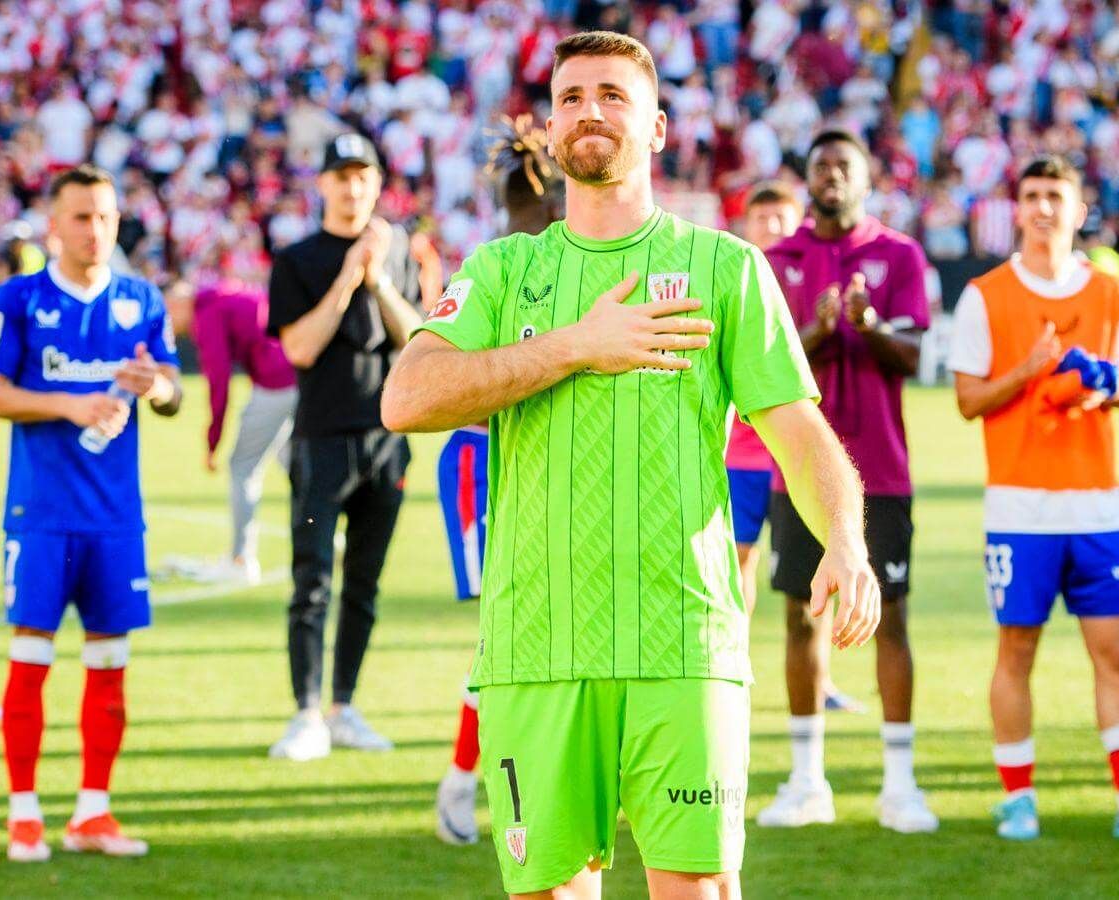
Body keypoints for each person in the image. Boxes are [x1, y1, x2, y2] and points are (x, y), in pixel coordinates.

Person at [381, 31, 881, 899]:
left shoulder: (725, 269)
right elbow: (408, 399)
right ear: (549, 129)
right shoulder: (506, 272)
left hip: (682, 645)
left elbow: (800, 430)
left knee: (698, 889)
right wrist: (579, 346)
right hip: (535, 648)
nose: (590, 113)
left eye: (613, 95)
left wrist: (845, 539)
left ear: (656, 128)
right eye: (571, 98)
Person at [948, 156, 1119, 846]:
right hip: (1018, 509)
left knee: (1114, 654)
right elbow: (968, 400)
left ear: (1080, 208)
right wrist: (1028, 372)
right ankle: (1017, 799)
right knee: (1016, 652)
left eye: (1055, 196)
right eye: (1030, 196)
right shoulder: (985, 295)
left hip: (1094, 508)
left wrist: (1101, 385)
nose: (1042, 208)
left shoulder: (1111, 294)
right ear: (1017, 208)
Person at [0, 164, 183, 862]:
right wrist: (69, 403)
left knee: (111, 667)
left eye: (106, 217)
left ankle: (93, 812)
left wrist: (156, 389)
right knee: (30, 660)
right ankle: (24, 813)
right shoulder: (20, 299)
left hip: (116, 518)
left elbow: (175, 394)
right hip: (42, 515)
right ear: (54, 224)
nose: (96, 231)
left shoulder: (142, 300)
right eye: (83, 217)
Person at [754, 129, 936, 835]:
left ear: (867, 179)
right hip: (798, 469)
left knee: (891, 615)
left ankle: (900, 783)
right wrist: (822, 332)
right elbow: (762, 362)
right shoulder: (778, 260)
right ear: (808, 179)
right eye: (821, 164)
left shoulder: (900, 255)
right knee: (800, 615)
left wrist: (869, 324)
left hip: (880, 469)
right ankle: (806, 781)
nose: (831, 175)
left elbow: (915, 354)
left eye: (844, 165)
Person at [265, 133, 425, 761]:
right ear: (323, 185)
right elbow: (299, 348)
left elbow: (417, 340)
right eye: (341, 176)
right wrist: (347, 276)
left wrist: (380, 278)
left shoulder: (402, 250)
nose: (352, 187)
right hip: (321, 440)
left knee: (365, 582)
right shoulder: (298, 258)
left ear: (378, 184)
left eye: (363, 176)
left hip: (387, 439)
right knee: (312, 581)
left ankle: (344, 705)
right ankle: (306, 711)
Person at [433, 115, 564, 847]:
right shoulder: (497, 267)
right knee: (506, 632)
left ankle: (487, 780)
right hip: (482, 464)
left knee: (525, 629)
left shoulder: (517, 257)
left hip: (521, 462)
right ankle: (465, 780)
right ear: (550, 200)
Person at [730, 180, 862, 714]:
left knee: (816, 571)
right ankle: (733, 663)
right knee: (738, 563)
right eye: (762, 221)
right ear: (747, 227)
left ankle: (821, 680)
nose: (772, 231)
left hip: (791, 459)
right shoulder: (733, 282)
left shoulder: (805, 280)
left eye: (782, 221)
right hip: (740, 455)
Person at [165, 255, 296, 586]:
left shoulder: (206, 313)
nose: (167, 321)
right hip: (296, 371)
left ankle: (241, 559)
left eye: (168, 311)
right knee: (291, 459)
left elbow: (219, 382)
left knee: (243, 467)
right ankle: (325, 535)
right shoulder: (221, 296)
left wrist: (213, 442)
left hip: (276, 378)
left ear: (179, 302)